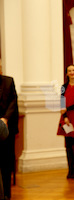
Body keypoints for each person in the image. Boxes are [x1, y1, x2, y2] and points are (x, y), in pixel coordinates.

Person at [57, 64, 74, 179]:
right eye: (69, 71)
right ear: (67, 73)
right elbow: (62, 102)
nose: (71, 72)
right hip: (65, 117)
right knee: (68, 144)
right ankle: (70, 169)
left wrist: (68, 110)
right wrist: (65, 115)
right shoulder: (63, 86)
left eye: (73, 70)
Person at [0, 70, 19, 200]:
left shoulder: (8, 81)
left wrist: (5, 119)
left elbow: (13, 102)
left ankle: (6, 194)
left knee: (6, 162)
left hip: (7, 128)